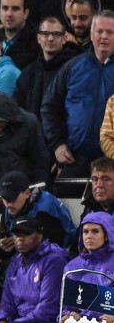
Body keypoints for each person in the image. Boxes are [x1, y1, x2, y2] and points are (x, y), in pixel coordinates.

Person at [41, 10, 114, 198]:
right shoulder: (73, 66)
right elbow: (49, 107)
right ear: (91, 34)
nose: (104, 36)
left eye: (110, 32)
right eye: (99, 31)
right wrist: (57, 144)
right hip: (75, 157)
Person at [0, 170, 77, 268]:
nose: (8, 204)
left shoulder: (45, 210)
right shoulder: (9, 211)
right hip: (28, 258)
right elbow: (0, 254)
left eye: (12, 198)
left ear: (27, 193)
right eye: (5, 198)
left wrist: (15, 247)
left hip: (64, 256)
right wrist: (3, 248)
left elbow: (50, 250)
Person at [14, 17, 81, 121]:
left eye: (56, 34)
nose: (50, 38)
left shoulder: (74, 70)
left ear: (64, 38)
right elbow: (17, 108)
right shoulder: (28, 72)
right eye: (45, 34)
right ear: (38, 38)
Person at [60, 212, 114, 323]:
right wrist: (68, 316)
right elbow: (66, 308)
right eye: (85, 232)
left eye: (95, 231)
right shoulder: (71, 267)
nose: (89, 236)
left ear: (107, 235)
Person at [0, 0, 39, 70]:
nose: (9, 14)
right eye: (5, 8)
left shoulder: (38, 43)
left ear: (25, 13)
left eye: (15, 9)